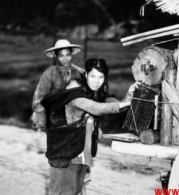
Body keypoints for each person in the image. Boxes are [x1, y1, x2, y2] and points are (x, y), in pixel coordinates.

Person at [42, 58, 138, 195]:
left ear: (104, 78)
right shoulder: (76, 95)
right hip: (65, 152)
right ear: (86, 75)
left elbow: (117, 106)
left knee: (74, 191)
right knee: (60, 192)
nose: (96, 81)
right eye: (93, 76)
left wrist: (130, 95)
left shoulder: (97, 95)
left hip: (82, 152)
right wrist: (125, 104)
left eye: (100, 77)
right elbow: (97, 109)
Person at [31, 39, 84, 136]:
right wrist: (40, 127)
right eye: (61, 56)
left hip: (75, 118)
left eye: (68, 55)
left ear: (72, 54)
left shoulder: (80, 73)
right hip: (54, 118)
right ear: (56, 56)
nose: (65, 59)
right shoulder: (50, 73)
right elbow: (39, 98)